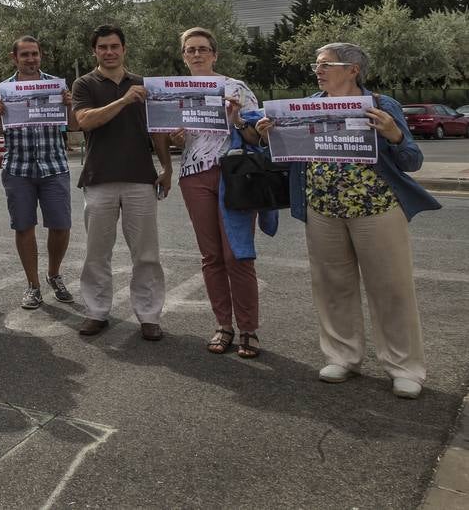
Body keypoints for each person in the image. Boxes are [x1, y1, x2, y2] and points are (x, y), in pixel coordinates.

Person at [256, 42, 437, 398]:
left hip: (377, 208)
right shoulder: (306, 106)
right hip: (322, 210)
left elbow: (412, 161)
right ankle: (342, 356)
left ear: (353, 70)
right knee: (332, 287)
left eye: (326, 64)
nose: (318, 70)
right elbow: (284, 159)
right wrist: (269, 138)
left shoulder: (382, 105)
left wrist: (394, 134)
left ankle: (404, 367)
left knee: (391, 289)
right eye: (316, 65)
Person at [72, 25, 173, 340]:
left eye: (114, 46)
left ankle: (149, 316)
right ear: (95, 51)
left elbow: (158, 131)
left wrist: (167, 167)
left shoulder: (144, 85)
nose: (109, 52)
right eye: (103, 47)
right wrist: (124, 101)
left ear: (124, 49)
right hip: (99, 178)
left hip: (140, 178)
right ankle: (96, 312)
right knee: (97, 253)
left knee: (146, 254)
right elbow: (85, 120)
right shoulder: (84, 84)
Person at [170, 27, 265, 358]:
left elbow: (256, 137)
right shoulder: (175, 91)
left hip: (234, 175)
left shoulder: (236, 88)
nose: (197, 54)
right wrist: (176, 138)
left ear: (215, 54)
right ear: (183, 56)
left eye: (203, 49)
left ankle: (248, 328)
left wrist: (237, 119)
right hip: (193, 176)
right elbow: (174, 137)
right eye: (190, 49)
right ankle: (223, 324)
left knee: (237, 254)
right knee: (211, 256)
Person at [0, 36, 77, 310]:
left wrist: (69, 105)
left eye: (34, 54)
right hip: (18, 168)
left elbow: (75, 126)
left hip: (54, 166)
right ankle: (33, 285)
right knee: (24, 227)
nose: (30, 59)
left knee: (61, 226)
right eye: (24, 54)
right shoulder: (3, 89)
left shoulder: (56, 86)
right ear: (14, 58)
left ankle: (54, 274)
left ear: (41, 55)